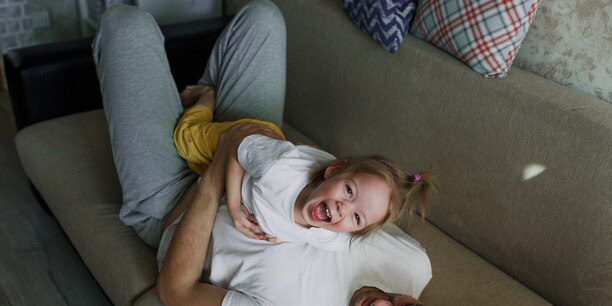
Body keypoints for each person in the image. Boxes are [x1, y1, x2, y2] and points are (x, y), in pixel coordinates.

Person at [92, 0, 479, 306]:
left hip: (175, 202)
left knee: (124, 24)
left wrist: (214, 177)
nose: (382, 304)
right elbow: (358, 198)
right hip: (259, 165)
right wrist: (253, 153)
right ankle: (201, 109)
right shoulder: (413, 265)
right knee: (264, 17)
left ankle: (199, 108)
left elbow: (176, 292)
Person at [174, 84, 434, 249]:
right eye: (349, 191)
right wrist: (233, 206)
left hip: (262, 158)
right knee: (184, 139)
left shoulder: (333, 237)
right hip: (244, 146)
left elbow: (311, 235)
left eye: (357, 217)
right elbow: (236, 144)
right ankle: (205, 97)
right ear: (332, 172)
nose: (344, 209)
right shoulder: (279, 172)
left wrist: (285, 234)